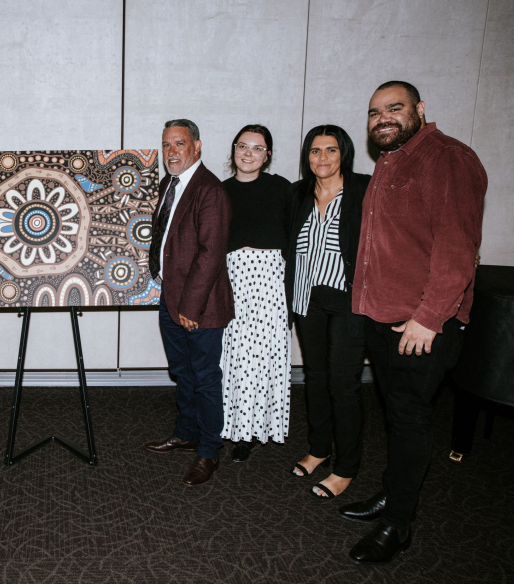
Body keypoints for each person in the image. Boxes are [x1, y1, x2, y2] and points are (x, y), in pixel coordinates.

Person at [341, 81, 486, 565]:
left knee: (409, 421)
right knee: (396, 416)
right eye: (374, 112)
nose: (382, 118)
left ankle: (397, 525)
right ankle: (391, 494)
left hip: (422, 326)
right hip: (385, 319)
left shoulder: (447, 158)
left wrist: (429, 318)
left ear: (420, 109)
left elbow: (457, 249)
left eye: (394, 108)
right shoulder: (390, 161)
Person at [144, 119, 234, 486]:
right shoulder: (171, 183)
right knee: (182, 372)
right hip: (171, 298)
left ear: (197, 146)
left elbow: (211, 255)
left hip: (199, 307)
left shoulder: (209, 190)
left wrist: (190, 308)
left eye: (179, 144)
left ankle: (209, 451)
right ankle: (186, 433)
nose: (171, 152)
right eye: (166, 145)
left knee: (206, 379)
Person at [284, 125, 371, 501]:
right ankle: (319, 449)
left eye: (331, 150)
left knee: (343, 383)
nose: (322, 158)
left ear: (344, 154)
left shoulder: (363, 190)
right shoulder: (299, 192)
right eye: (315, 151)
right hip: (307, 299)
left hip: (348, 302)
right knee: (315, 377)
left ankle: (346, 466)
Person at [220, 125, 291, 463]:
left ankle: (256, 429)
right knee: (235, 358)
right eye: (242, 146)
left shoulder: (282, 189)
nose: (248, 153)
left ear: (268, 154)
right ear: (233, 149)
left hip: (270, 286)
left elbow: (296, 241)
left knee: (263, 359)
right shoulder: (220, 191)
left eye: (257, 148)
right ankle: (232, 426)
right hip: (233, 283)